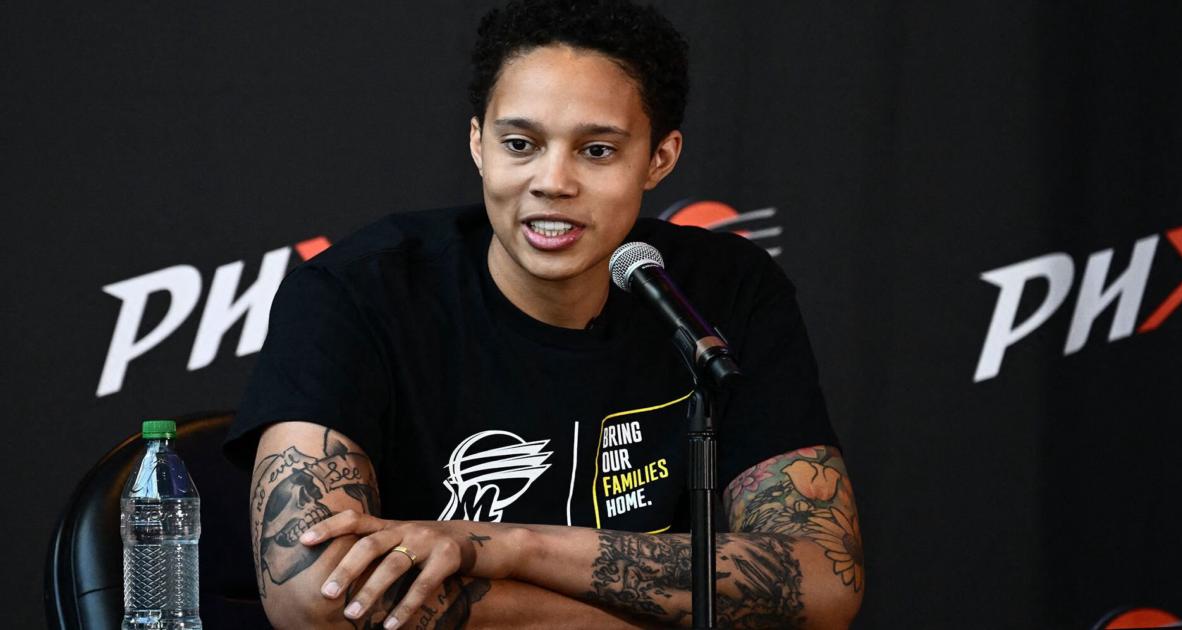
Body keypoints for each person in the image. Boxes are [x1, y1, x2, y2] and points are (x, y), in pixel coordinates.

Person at [224, 0, 864, 627]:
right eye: (520, 143)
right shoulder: (354, 293)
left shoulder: (721, 295)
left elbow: (823, 581)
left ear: (660, 158)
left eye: (597, 150)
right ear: (478, 144)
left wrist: (507, 546)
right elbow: (315, 594)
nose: (553, 181)